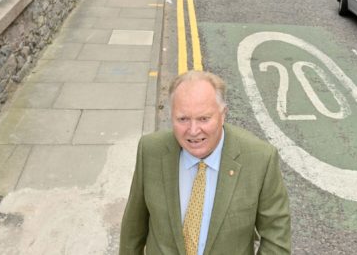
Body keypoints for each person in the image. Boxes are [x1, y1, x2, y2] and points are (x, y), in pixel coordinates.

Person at [119, 70, 291, 255]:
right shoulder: (150, 150)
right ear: (172, 116)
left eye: (203, 118)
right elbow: (133, 230)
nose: (193, 131)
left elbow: (276, 237)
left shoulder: (261, 159)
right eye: (183, 119)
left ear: (223, 114)